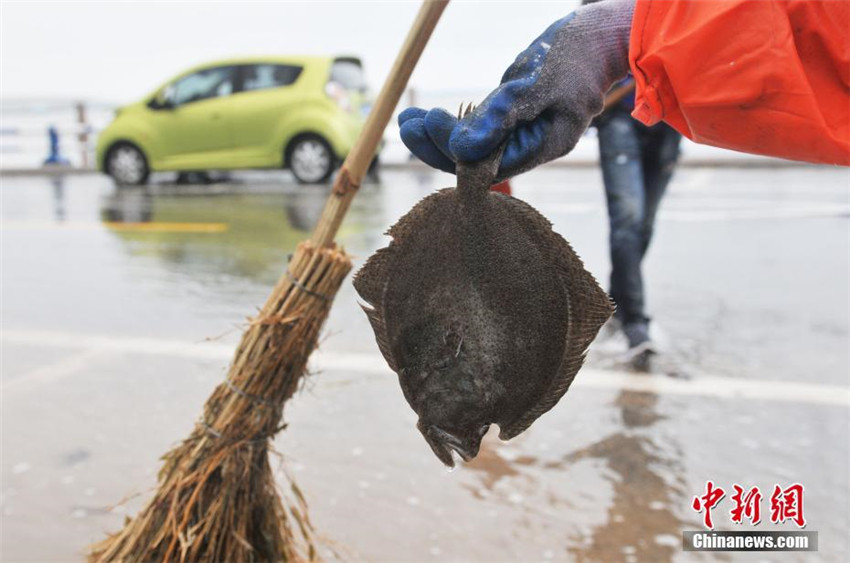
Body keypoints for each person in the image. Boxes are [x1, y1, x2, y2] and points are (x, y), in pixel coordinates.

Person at [398, 0, 848, 179]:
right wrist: (621, 35)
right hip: (635, 108)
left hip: (663, 113)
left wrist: (621, 35)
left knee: (638, 223)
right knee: (628, 224)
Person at [595, 76, 681, 364]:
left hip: (670, 120)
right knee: (628, 221)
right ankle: (635, 324)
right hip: (621, 115)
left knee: (643, 225)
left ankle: (617, 304)